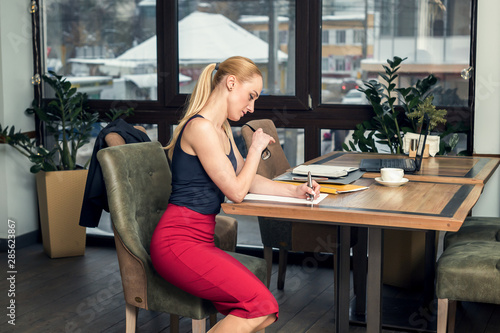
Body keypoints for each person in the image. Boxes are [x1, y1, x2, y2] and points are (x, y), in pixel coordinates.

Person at [150, 56, 320, 333]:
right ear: (231, 83)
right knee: (261, 306)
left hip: (200, 241)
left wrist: (296, 191)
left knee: (263, 309)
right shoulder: (201, 128)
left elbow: (250, 181)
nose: (251, 107)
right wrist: (254, 148)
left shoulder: (221, 130)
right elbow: (237, 192)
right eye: (250, 96)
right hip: (177, 243)